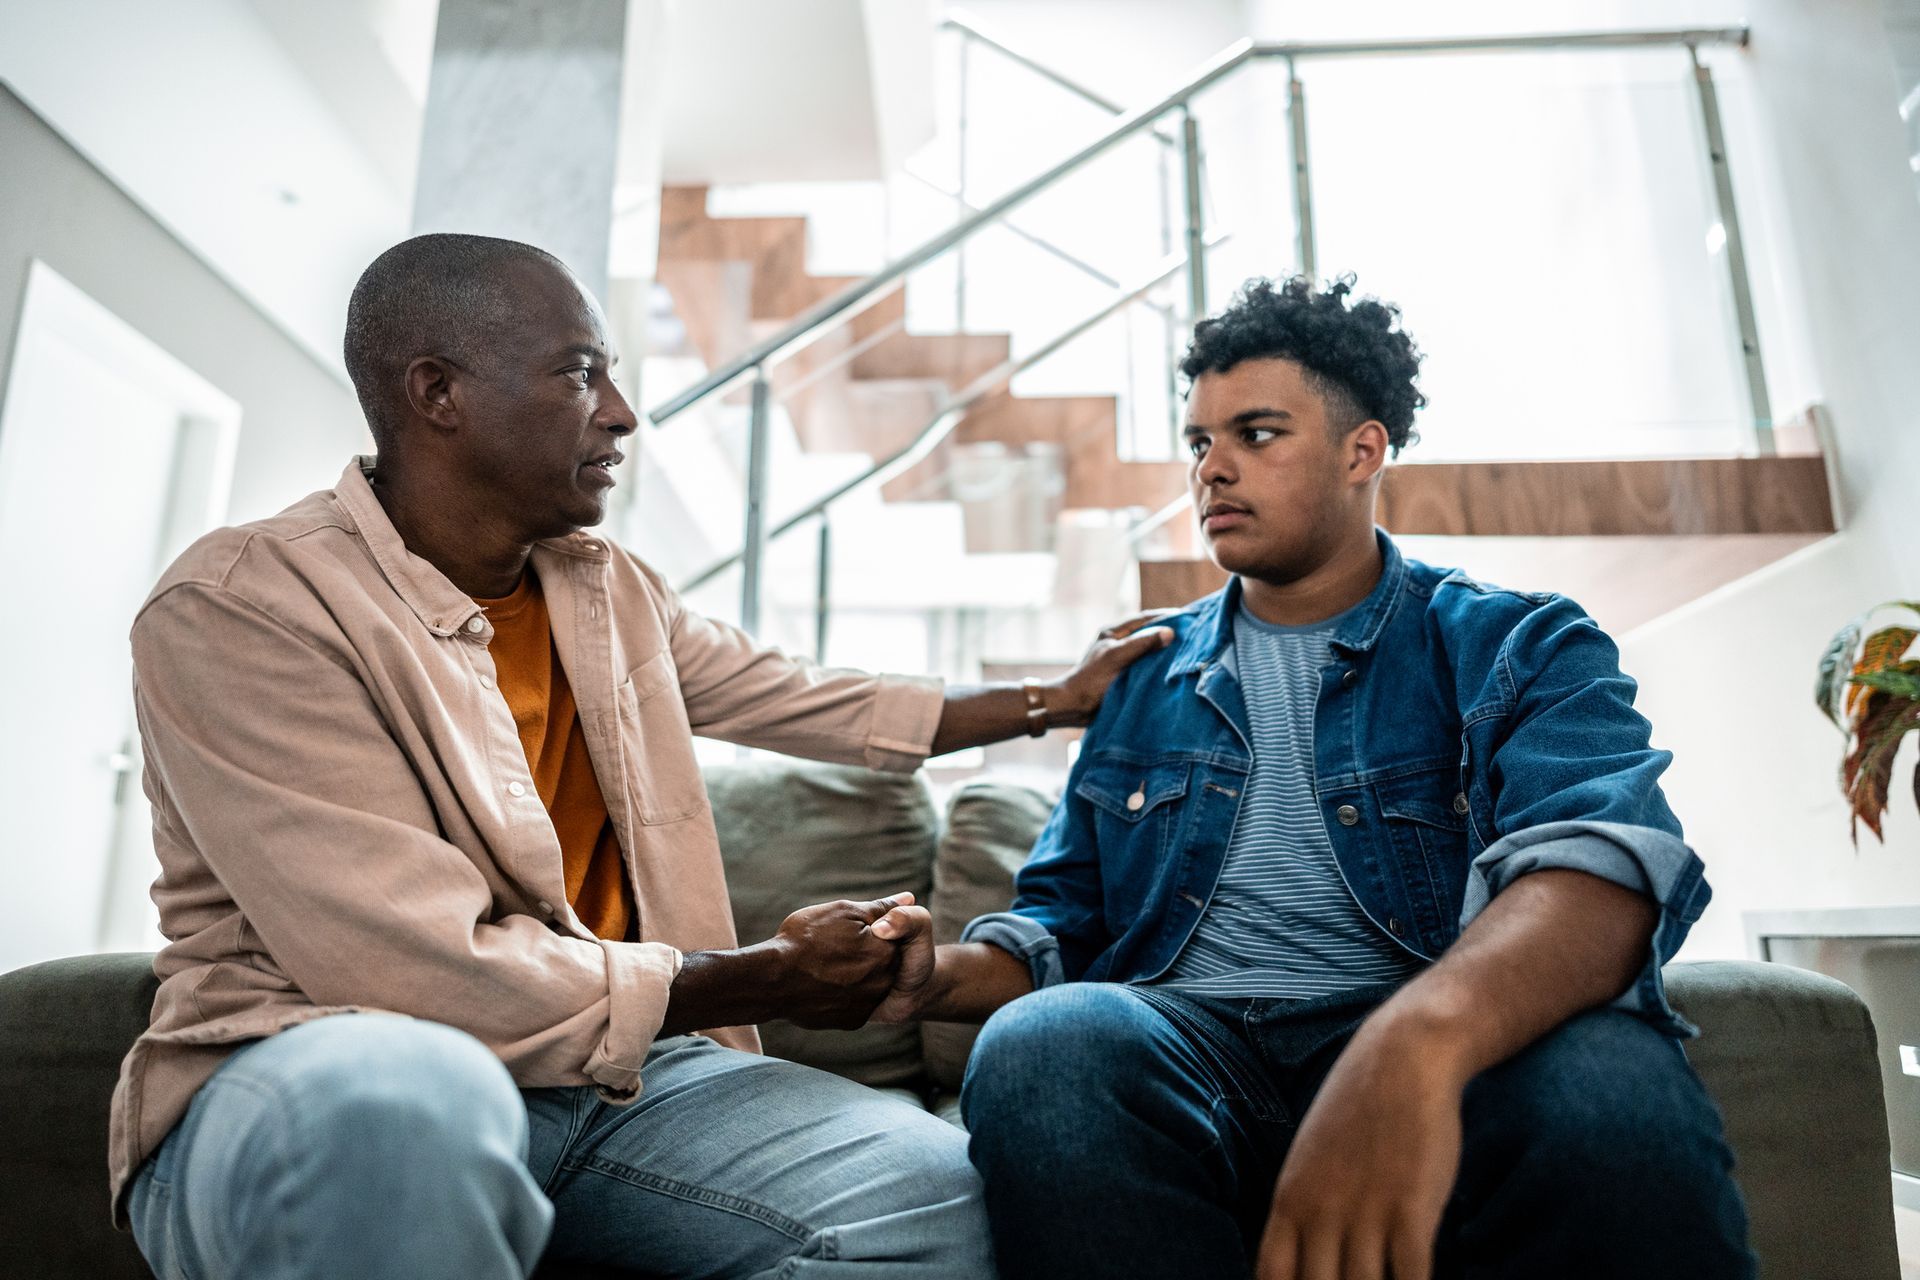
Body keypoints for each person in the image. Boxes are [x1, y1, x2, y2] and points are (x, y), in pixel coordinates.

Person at [111, 232, 1170, 1280]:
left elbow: (805, 693)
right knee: (410, 1099)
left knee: (934, 1191)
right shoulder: (244, 603)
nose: (621, 411)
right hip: (330, 1057)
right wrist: (771, 976)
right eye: (581, 373)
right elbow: (418, 976)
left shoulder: (607, 587)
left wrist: (1049, 701)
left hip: (619, 1084)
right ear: (437, 391)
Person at [871, 276, 1755, 1280]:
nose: (1213, 469)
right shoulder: (1141, 674)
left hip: (1436, 1023)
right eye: (1200, 441)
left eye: (1256, 433)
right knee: (1048, 1039)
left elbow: (1601, 871)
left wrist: (1414, 1037)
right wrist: (926, 973)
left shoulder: (1515, 640)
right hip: (1188, 1048)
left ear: (1360, 451)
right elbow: (1058, 928)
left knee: (1608, 1082)